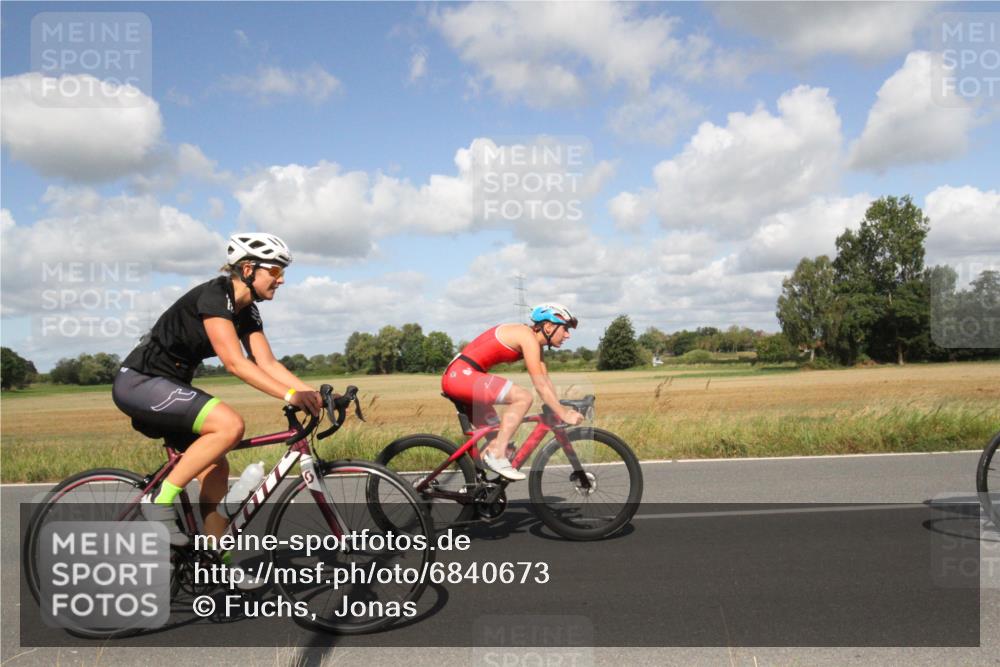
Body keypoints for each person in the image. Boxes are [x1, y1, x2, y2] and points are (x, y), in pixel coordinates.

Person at [112, 233, 322, 569]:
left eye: (283, 273)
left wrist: (316, 394)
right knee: (230, 425)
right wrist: (290, 396)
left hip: (169, 385)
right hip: (141, 382)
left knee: (216, 466)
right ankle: (160, 499)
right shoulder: (216, 295)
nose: (281, 280)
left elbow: (267, 363)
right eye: (275, 271)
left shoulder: (247, 311)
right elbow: (236, 363)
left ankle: (214, 561)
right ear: (249, 268)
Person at [441, 303, 585, 481]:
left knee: (501, 444)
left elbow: (545, 380)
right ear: (548, 326)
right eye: (565, 329)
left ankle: (476, 488)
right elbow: (539, 385)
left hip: (465, 377)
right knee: (522, 397)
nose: (568, 335)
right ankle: (497, 456)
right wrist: (562, 413)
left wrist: (558, 406)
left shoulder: (534, 343)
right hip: (461, 376)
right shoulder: (527, 337)